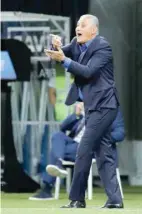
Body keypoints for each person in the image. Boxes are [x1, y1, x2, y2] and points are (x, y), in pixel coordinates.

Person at [45, 14, 123, 208]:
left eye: (82, 25)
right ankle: (115, 200)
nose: (77, 28)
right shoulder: (76, 43)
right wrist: (55, 46)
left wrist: (64, 60)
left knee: (84, 149)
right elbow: (61, 54)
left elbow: (88, 71)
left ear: (93, 30)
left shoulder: (103, 47)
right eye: (77, 24)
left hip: (105, 105)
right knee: (104, 153)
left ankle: (77, 199)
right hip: (92, 106)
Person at [29, 102, 85, 200]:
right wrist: (76, 114)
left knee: (55, 151)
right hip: (72, 143)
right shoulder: (83, 113)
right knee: (57, 135)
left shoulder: (105, 111)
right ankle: (59, 163)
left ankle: (47, 189)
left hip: (87, 146)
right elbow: (63, 127)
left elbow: (117, 133)